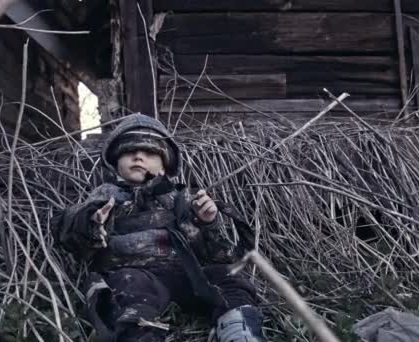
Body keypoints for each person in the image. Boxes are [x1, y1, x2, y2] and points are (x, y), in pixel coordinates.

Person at [52, 113, 265, 342]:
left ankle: (239, 332)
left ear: (165, 166)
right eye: (128, 151)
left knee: (228, 279)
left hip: (186, 275)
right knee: (127, 289)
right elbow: (69, 227)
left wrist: (206, 222)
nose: (138, 156)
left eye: (150, 152)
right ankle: (140, 335)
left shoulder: (179, 199)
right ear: (116, 163)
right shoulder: (105, 195)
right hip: (135, 274)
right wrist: (93, 223)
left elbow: (212, 253)